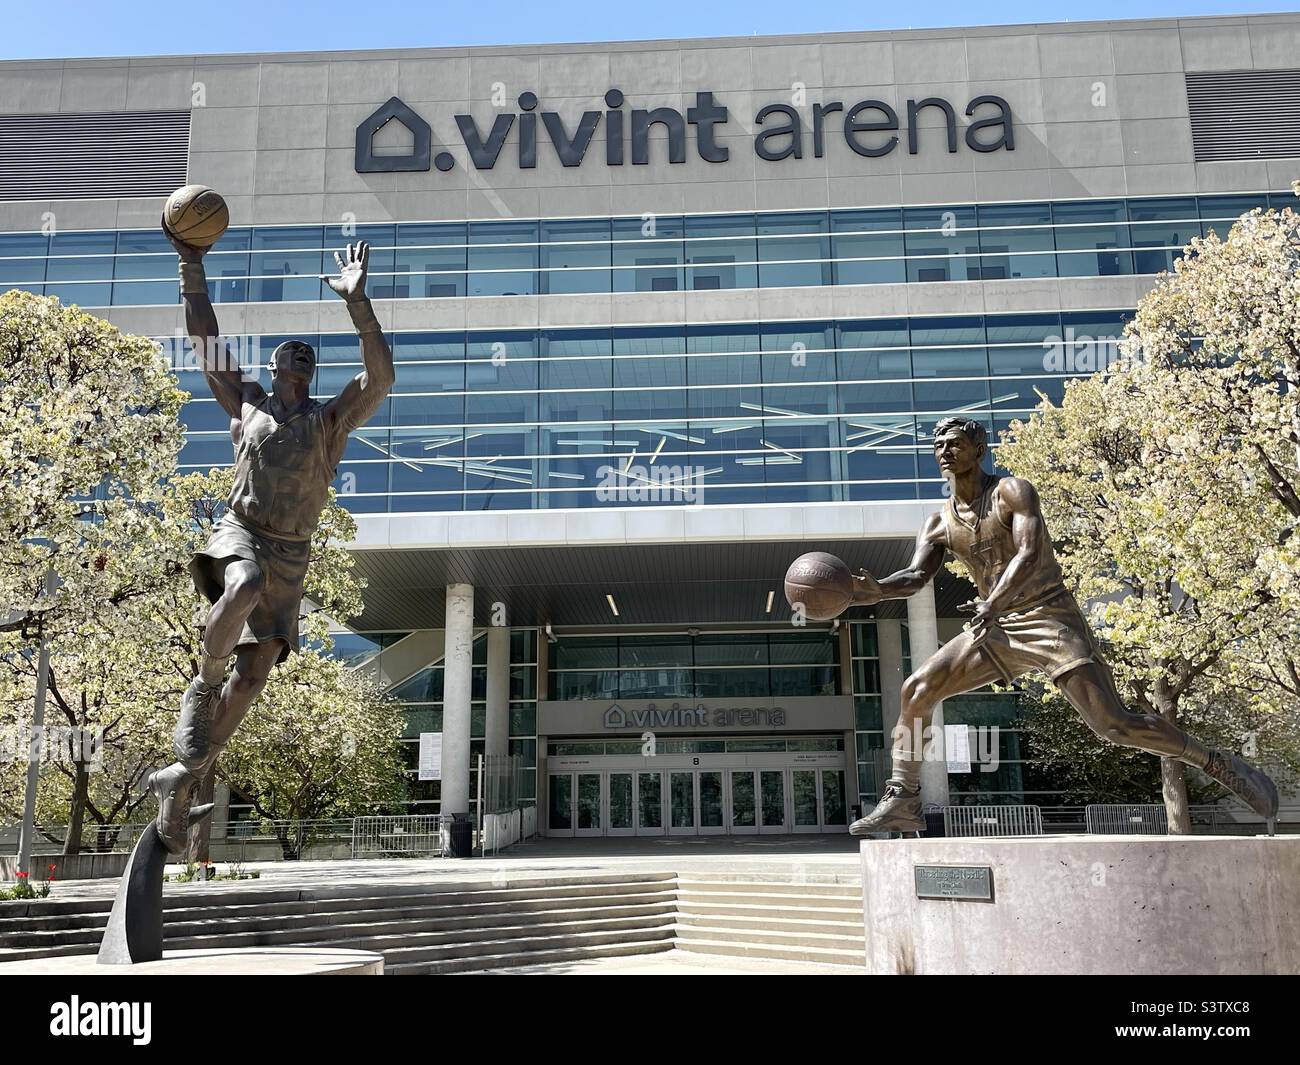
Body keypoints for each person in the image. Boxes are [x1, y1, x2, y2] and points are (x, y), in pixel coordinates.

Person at [847, 416, 1278, 835]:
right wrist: (876, 590)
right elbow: (916, 577)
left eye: (954, 443)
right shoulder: (939, 522)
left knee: (1114, 726)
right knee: (917, 689)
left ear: (978, 450)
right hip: (997, 626)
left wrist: (993, 602)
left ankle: (1216, 762)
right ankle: (903, 799)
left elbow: (1029, 553)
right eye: (938, 445)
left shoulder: (1011, 492)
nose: (944, 451)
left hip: (1048, 616)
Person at [147, 231, 395, 854]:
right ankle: (202, 686)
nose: (304, 356)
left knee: (256, 676)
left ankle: (186, 777)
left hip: (294, 551)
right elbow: (205, 341)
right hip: (244, 532)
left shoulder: (328, 422)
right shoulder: (246, 402)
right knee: (243, 585)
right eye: (294, 353)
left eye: (311, 355)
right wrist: (191, 266)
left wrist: (358, 305)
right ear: (274, 367)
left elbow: (382, 377)